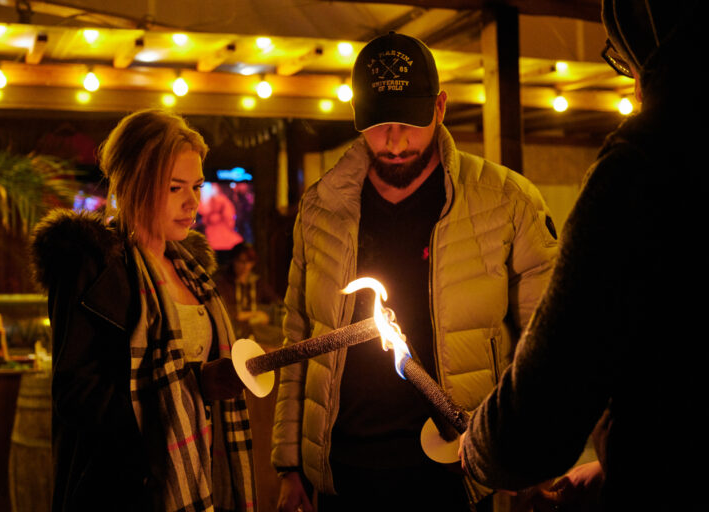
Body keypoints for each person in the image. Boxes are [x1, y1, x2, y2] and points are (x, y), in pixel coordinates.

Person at [272, 32, 558, 511]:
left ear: (440, 107)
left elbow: (544, 341)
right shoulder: (321, 207)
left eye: (409, 121)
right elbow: (299, 333)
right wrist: (289, 464)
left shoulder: (507, 202)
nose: (395, 140)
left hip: (455, 471)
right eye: (379, 123)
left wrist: (531, 454)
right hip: (342, 472)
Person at [459, 1, 703, 510]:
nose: (631, 85)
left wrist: (481, 447)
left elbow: (539, 415)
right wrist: (614, 465)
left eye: (626, 61)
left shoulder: (644, 162)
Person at [31, 109, 256, 512]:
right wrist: (192, 389)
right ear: (135, 183)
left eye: (197, 186)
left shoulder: (193, 271)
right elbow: (77, 394)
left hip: (197, 473)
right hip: (123, 487)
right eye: (174, 187)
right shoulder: (92, 265)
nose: (192, 202)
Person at [213, 242, 279, 339]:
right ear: (234, 261)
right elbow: (224, 310)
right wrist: (254, 314)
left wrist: (266, 314)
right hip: (232, 330)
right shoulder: (223, 283)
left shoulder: (257, 282)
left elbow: (276, 302)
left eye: (249, 262)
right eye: (241, 261)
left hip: (255, 330)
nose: (246, 266)